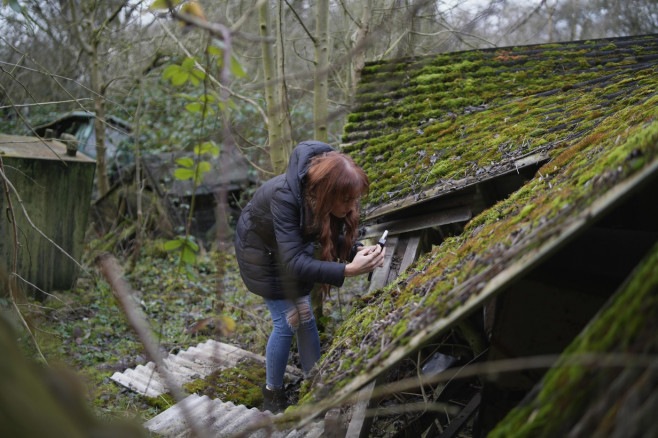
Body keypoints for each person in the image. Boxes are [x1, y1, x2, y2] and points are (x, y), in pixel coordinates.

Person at [234, 140, 385, 412]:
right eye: (347, 200)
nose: (352, 207)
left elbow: (328, 232)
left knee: (305, 316)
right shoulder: (286, 196)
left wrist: (356, 251)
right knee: (287, 321)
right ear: (329, 193)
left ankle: (315, 385)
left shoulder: (320, 189)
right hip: (261, 255)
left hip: (289, 251)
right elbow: (294, 263)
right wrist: (346, 270)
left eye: (355, 199)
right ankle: (273, 395)